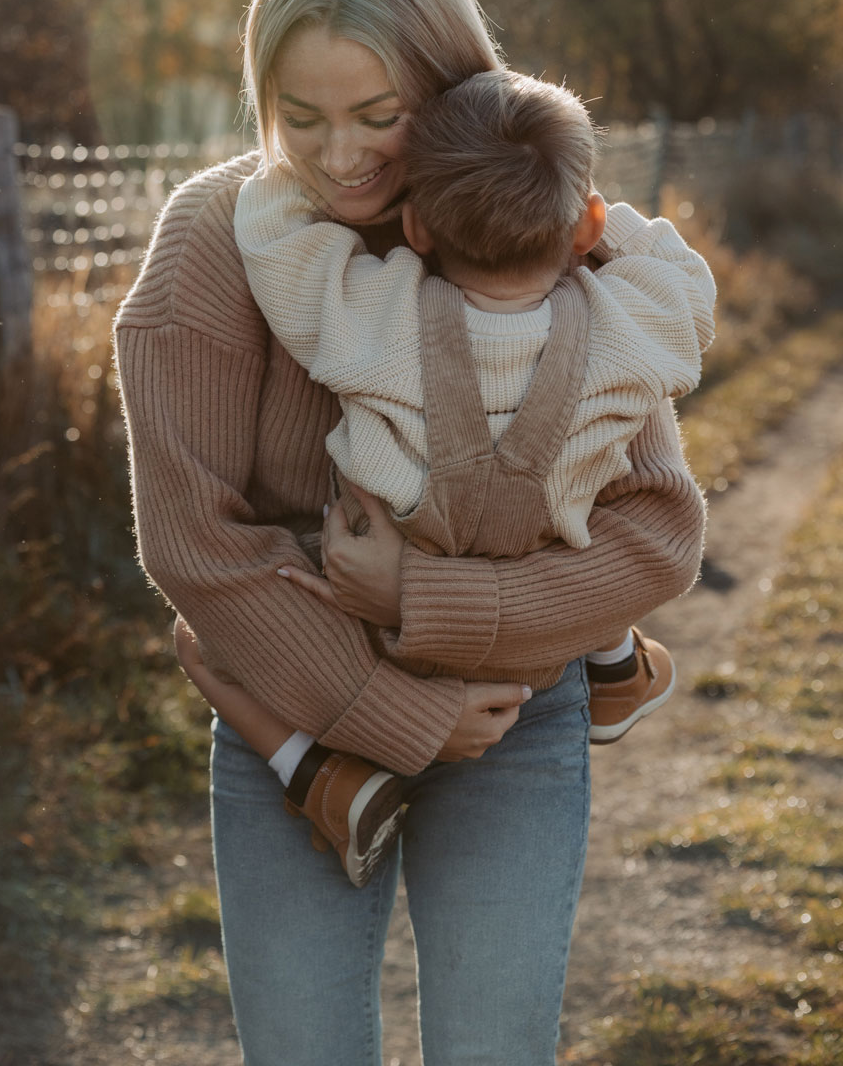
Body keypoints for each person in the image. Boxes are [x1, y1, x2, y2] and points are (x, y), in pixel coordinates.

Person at [114, 0, 707, 1066]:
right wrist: (395, 711)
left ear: (447, 82)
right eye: (302, 119)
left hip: (513, 727)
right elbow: (193, 545)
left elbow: (648, 532)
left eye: (379, 118)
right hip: (302, 720)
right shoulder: (215, 244)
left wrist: (433, 607)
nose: (340, 156)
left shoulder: (529, 220)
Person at [174, 68, 715, 887]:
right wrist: (596, 215)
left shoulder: (373, 321)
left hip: (368, 632)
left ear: (417, 228)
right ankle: (612, 663)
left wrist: (311, 148)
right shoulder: (635, 326)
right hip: (532, 636)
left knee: (202, 641)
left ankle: (318, 771)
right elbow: (683, 271)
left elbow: (279, 237)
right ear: (586, 226)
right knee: (585, 501)